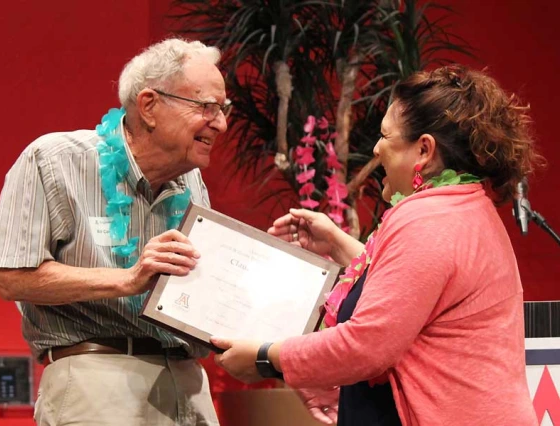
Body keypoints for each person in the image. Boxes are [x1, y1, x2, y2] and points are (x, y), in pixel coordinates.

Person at [210, 65, 541, 426]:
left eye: (385, 135)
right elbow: (412, 292)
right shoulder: (460, 206)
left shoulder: (429, 219)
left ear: (424, 150)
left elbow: (365, 344)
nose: (376, 148)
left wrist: (265, 357)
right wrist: (338, 244)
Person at [0, 37, 231, 426]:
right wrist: (128, 279)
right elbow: (12, 277)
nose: (220, 123)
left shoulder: (191, 183)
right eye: (206, 107)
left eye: (224, 109)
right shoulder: (54, 160)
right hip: (96, 379)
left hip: (188, 384)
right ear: (149, 106)